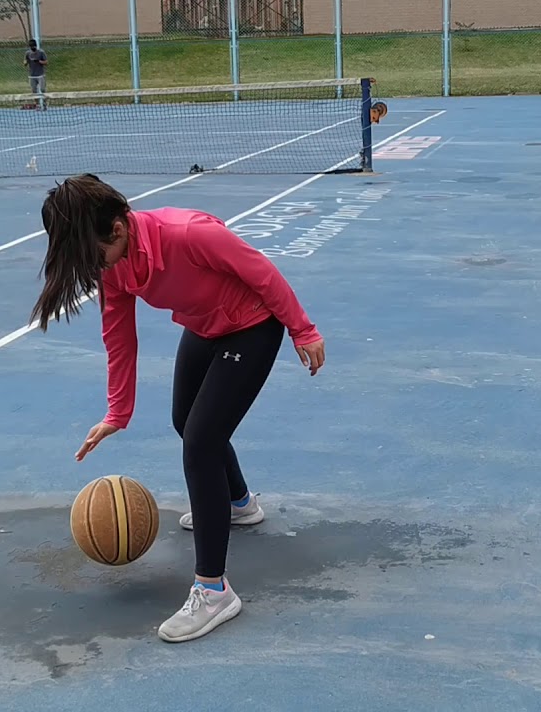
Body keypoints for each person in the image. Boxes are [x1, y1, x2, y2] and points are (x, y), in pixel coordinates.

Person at [29, 174, 327, 643]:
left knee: (202, 443)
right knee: (185, 422)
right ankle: (240, 505)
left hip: (251, 326)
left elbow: (262, 274)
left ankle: (214, 591)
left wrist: (303, 330)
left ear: (119, 229)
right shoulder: (113, 265)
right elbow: (118, 337)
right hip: (205, 327)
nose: (91, 267)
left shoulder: (189, 234)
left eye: (92, 253)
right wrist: (116, 413)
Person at [24, 39, 47, 107]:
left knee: (42, 89)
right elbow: (25, 62)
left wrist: (39, 61)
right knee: (34, 91)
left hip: (40, 75)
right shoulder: (27, 53)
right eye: (31, 47)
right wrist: (26, 62)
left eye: (33, 46)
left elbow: (46, 62)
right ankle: (37, 104)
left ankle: (44, 103)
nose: (32, 48)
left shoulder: (41, 52)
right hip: (32, 75)